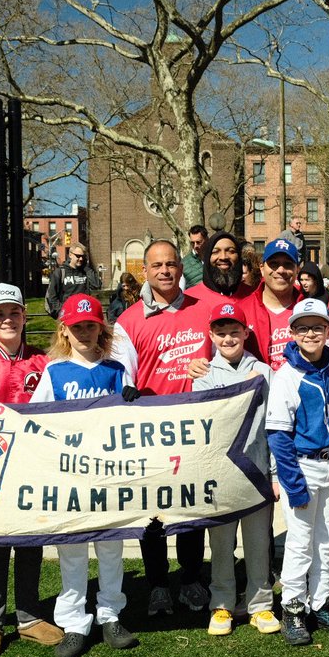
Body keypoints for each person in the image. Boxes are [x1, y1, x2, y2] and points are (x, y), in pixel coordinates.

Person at [29, 294, 138, 657]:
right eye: (77, 327)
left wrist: (132, 400)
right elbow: (36, 418)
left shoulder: (116, 369)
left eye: (91, 325)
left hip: (108, 473)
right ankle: (74, 623)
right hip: (70, 474)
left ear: (101, 329)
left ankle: (111, 615)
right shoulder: (54, 371)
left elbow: (132, 421)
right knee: (72, 550)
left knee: (111, 547)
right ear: (65, 331)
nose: (85, 332)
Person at [0, 283, 63, 657]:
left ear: (24, 316)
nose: (7, 320)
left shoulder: (43, 362)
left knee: (30, 541)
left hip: (33, 464)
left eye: (14, 312)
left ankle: (29, 617)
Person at [113, 240, 211, 616]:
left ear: (180, 268)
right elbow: (122, 376)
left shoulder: (203, 311)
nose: (165, 271)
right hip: (150, 432)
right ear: (145, 271)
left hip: (196, 428)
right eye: (157, 266)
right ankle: (157, 584)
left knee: (191, 509)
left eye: (171, 264)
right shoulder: (128, 321)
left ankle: (191, 579)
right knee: (151, 515)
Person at [266, 297, 329, 645]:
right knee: (300, 542)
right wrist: (292, 483)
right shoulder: (287, 375)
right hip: (303, 466)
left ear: (328, 330)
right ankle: (292, 609)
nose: (310, 334)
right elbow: (278, 435)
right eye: (302, 328)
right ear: (292, 333)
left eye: (317, 327)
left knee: (326, 539)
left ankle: (320, 603)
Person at [194, 301, 281, 637]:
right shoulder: (203, 375)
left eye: (234, 331)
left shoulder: (265, 372)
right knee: (221, 543)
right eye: (221, 332)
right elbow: (203, 425)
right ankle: (222, 604)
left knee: (258, 542)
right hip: (220, 474)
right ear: (211, 335)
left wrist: (275, 474)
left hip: (257, 470)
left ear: (246, 333)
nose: (228, 338)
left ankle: (260, 604)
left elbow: (274, 425)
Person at [240, 238, 303, 370]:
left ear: (297, 270)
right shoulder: (242, 310)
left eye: (288, 264)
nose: (281, 270)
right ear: (262, 269)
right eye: (274, 264)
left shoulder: (309, 309)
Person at [185, 231, 253, 305]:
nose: (223, 257)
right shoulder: (190, 298)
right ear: (208, 257)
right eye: (215, 252)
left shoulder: (253, 295)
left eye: (230, 251)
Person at [45, 243, 101, 318]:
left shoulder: (86, 272)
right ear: (70, 255)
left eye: (83, 256)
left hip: (83, 314)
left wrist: (86, 267)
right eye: (78, 256)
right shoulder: (60, 272)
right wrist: (62, 312)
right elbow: (51, 296)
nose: (81, 259)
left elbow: (97, 285)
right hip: (67, 316)